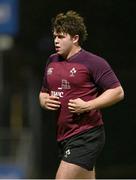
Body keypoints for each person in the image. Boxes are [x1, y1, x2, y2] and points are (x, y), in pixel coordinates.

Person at [39, 10, 124, 179]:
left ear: (75, 38)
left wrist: (88, 105)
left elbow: (118, 92)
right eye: (55, 36)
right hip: (64, 135)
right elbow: (43, 92)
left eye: (61, 37)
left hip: (87, 134)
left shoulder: (93, 62)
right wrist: (43, 101)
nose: (56, 40)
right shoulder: (52, 60)